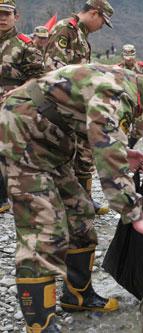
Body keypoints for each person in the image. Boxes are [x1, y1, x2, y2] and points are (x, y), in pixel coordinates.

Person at [0, 63, 143, 332]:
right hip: (22, 132)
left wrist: (124, 153)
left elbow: (97, 128)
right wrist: (136, 216)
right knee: (43, 228)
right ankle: (40, 325)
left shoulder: (126, 91)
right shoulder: (117, 91)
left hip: (50, 141)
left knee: (80, 211)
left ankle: (78, 295)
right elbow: (107, 152)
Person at [44, 0, 114, 216]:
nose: (102, 25)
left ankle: (82, 199)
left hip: (75, 103)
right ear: (94, 13)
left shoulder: (81, 36)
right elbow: (53, 69)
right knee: (59, 154)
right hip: (59, 104)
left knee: (82, 152)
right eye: (103, 20)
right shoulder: (66, 29)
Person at [0, 0, 45, 214]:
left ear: (15, 17)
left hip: (13, 109)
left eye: (6, 14)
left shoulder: (25, 45)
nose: (2, 18)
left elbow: (38, 79)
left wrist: (20, 93)